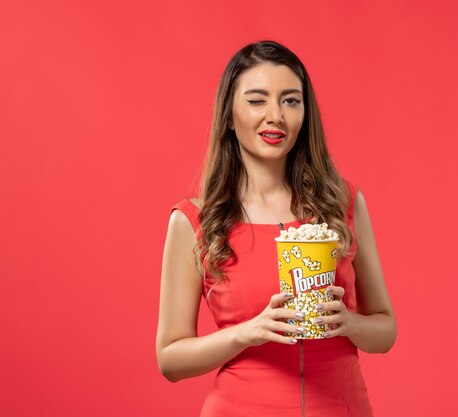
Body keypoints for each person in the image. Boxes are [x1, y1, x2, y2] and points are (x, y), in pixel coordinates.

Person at [156, 39, 397, 417]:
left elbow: (385, 330)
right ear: (229, 116)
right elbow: (169, 358)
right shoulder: (195, 220)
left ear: (305, 113)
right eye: (256, 100)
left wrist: (347, 323)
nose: (276, 116)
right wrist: (248, 332)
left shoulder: (342, 204)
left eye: (290, 100)